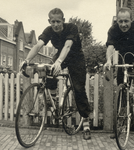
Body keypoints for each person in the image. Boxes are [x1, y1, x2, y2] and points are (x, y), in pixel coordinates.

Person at [20, 8, 92, 140]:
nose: (55, 24)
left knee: (78, 88)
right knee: (49, 72)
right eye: (53, 21)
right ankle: (53, 101)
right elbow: (38, 45)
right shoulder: (48, 31)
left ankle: (86, 123)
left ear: (63, 21)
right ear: (49, 21)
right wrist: (26, 60)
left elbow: (68, 45)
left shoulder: (72, 28)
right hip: (60, 55)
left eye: (58, 21)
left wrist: (59, 61)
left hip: (76, 57)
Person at [104, 7, 134, 138]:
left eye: (126, 21)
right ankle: (120, 126)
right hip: (124, 57)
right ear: (117, 21)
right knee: (121, 89)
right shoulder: (113, 30)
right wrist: (108, 60)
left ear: (131, 19)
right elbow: (110, 48)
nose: (123, 24)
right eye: (120, 21)